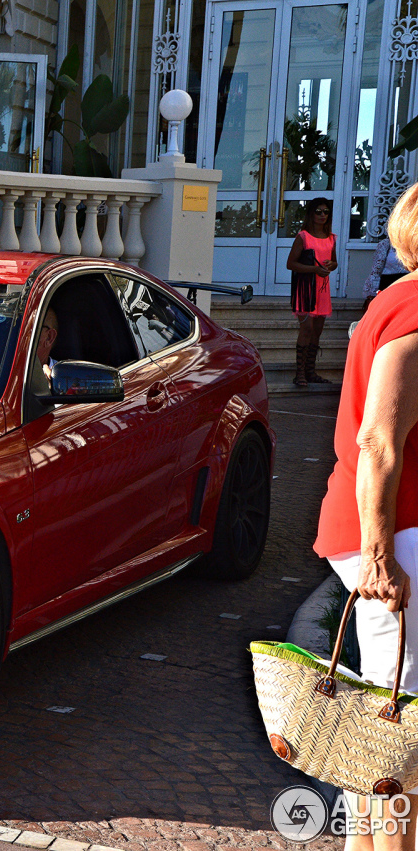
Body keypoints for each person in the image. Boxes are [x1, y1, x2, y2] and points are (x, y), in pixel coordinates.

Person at [314, 182, 418, 850]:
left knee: (389, 721)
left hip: (388, 534)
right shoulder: (413, 313)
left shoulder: (396, 300)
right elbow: (379, 440)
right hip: (396, 538)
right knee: (399, 727)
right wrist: (380, 557)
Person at [287, 198, 338, 386]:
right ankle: (299, 373)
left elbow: (334, 261)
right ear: (311, 213)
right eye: (318, 211)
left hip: (323, 289)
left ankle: (310, 371)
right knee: (306, 329)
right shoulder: (303, 236)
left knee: (317, 331)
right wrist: (315, 270)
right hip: (306, 289)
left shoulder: (332, 237)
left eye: (326, 211)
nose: (322, 215)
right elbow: (290, 264)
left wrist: (331, 265)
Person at [365, 237, 408, 308]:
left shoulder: (413, 244)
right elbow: (376, 270)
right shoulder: (386, 244)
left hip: (407, 285)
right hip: (388, 284)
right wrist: (371, 293)